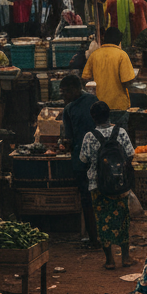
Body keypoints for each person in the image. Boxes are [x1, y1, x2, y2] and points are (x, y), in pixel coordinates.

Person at [79, 100, 136, 270]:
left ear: (93, 117)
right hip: (120, 185)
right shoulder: (121, 132)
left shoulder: (89, 136)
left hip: (98, 187)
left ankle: (110, 260)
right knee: (123, 219)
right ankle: (125, 257)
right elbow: (131, 155)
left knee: (103, 221)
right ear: (109, 114)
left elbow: (83, 159)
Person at [60, 73, 98, 247]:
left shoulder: (69, 109)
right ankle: (102, 236)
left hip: (81, 160)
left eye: (66, 92)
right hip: (99, 156)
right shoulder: (94, 100)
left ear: (76, 90)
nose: (64, 96)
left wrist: (63, 145)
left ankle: (93, 238)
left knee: (86, 198)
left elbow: (68, 139)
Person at [81, 26, 135, 129]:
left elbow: (85, 77)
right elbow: (127, 80)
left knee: (101, 136)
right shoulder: (122, 55)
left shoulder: (94, 55)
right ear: (119, 41)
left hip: (98, 106)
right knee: (118, 137)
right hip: (118, 106)